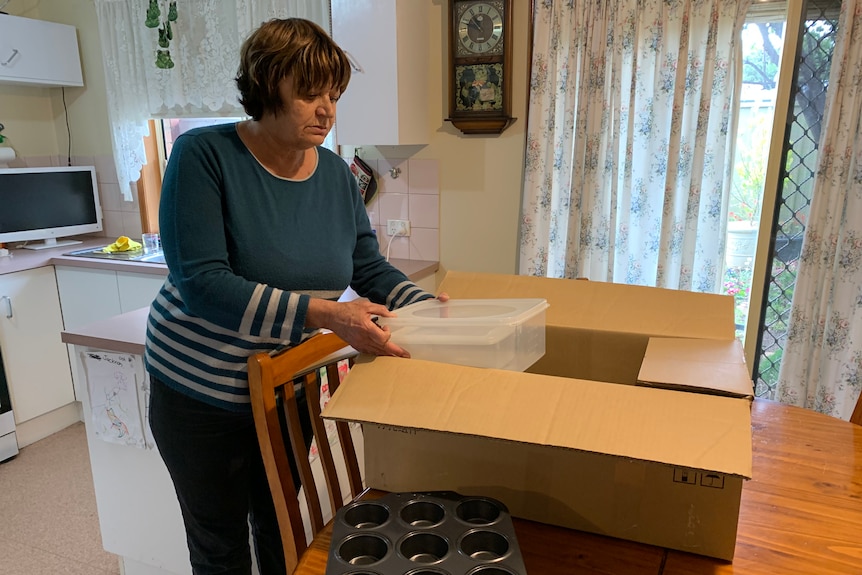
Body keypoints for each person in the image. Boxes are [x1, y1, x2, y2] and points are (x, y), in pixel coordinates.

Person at [144, 18, 446, 575]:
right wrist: (329, 314)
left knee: (281, 528)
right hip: (198, 393)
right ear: (265, 86)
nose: (326, 109)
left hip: (282, 390)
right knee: (221, 546)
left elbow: (366, 265)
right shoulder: (202, 156)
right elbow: (202, 284)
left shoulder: (336, 175)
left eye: (333, 94)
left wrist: (424, 307)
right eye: (309, 93)